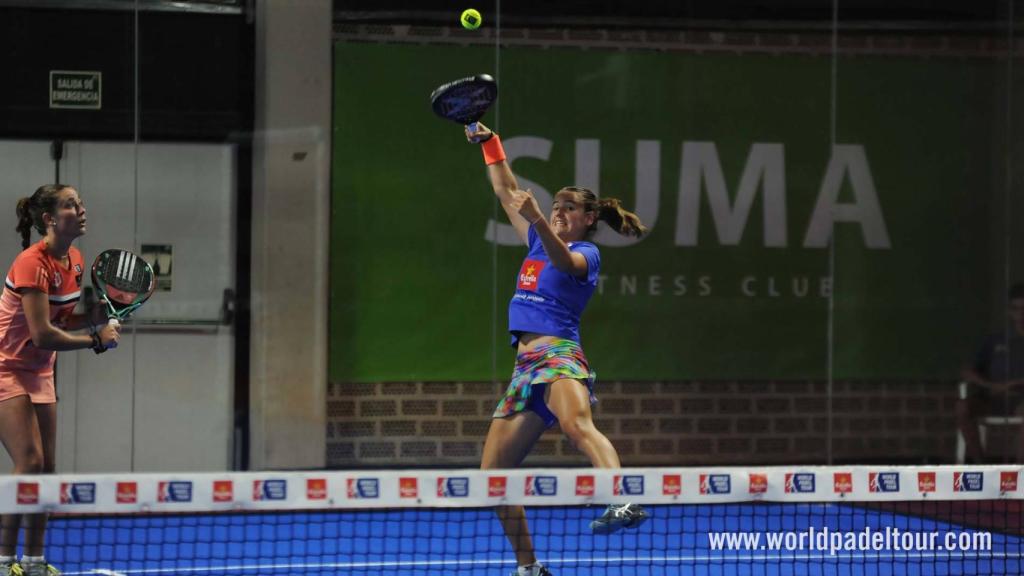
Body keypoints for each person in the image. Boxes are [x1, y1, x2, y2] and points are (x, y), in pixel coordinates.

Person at [466, 123, 649, 576]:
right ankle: (530, 568)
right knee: (493, 478)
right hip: (524, 368)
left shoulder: (587, 253)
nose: (560, 210)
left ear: (588, 218)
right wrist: (488, 141)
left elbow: (565, 261)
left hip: (559, 355)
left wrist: (540, 220)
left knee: (577, 425)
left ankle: (622, 500)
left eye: (570, 207)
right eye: (557, 204)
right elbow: (506, 186)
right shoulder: (535, 239)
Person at [0, 185, 120, 576]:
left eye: (81, 202)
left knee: (47, 468)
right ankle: (4, 562)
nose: (82, 209)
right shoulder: (31, 263)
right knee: (29, 461)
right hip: (6, 368)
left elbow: (62, 322)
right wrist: (96, 342)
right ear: (50, 219)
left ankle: (33, 562)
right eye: (71, 204)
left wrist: (98, 321)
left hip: (39, 372)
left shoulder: (76, 260)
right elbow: (42, 334)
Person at [957, 283, 1024, 463]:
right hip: (992, 398)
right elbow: (967, 371)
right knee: (964, 407)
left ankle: (1018, 474)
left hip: (1020, 401)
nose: (1021, 314)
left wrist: (1014, 385)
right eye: (1016, 309)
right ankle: (982, 467)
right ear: (1010, 312)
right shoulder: (996, 340)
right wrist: (992, 386)